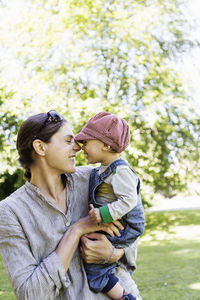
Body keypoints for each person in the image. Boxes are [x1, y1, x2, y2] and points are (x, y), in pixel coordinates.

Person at [0, 110, 142, 300]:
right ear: (40, 148)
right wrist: (77, 229)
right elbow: (30, 295)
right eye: (68, 141)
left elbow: (133, 222)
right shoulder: (11, 212)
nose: (77, 147)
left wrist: (115, 253)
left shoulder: (97, 178)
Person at [75, 111, 145, 300]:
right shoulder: (103, 170)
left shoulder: (121, 171)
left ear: (106, 145)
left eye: (86, 142)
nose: (82, 147)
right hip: (117, 225)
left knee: (96, 269)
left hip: (125, 228)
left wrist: (104, 214)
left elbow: (129, 200)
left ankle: (125, 297)